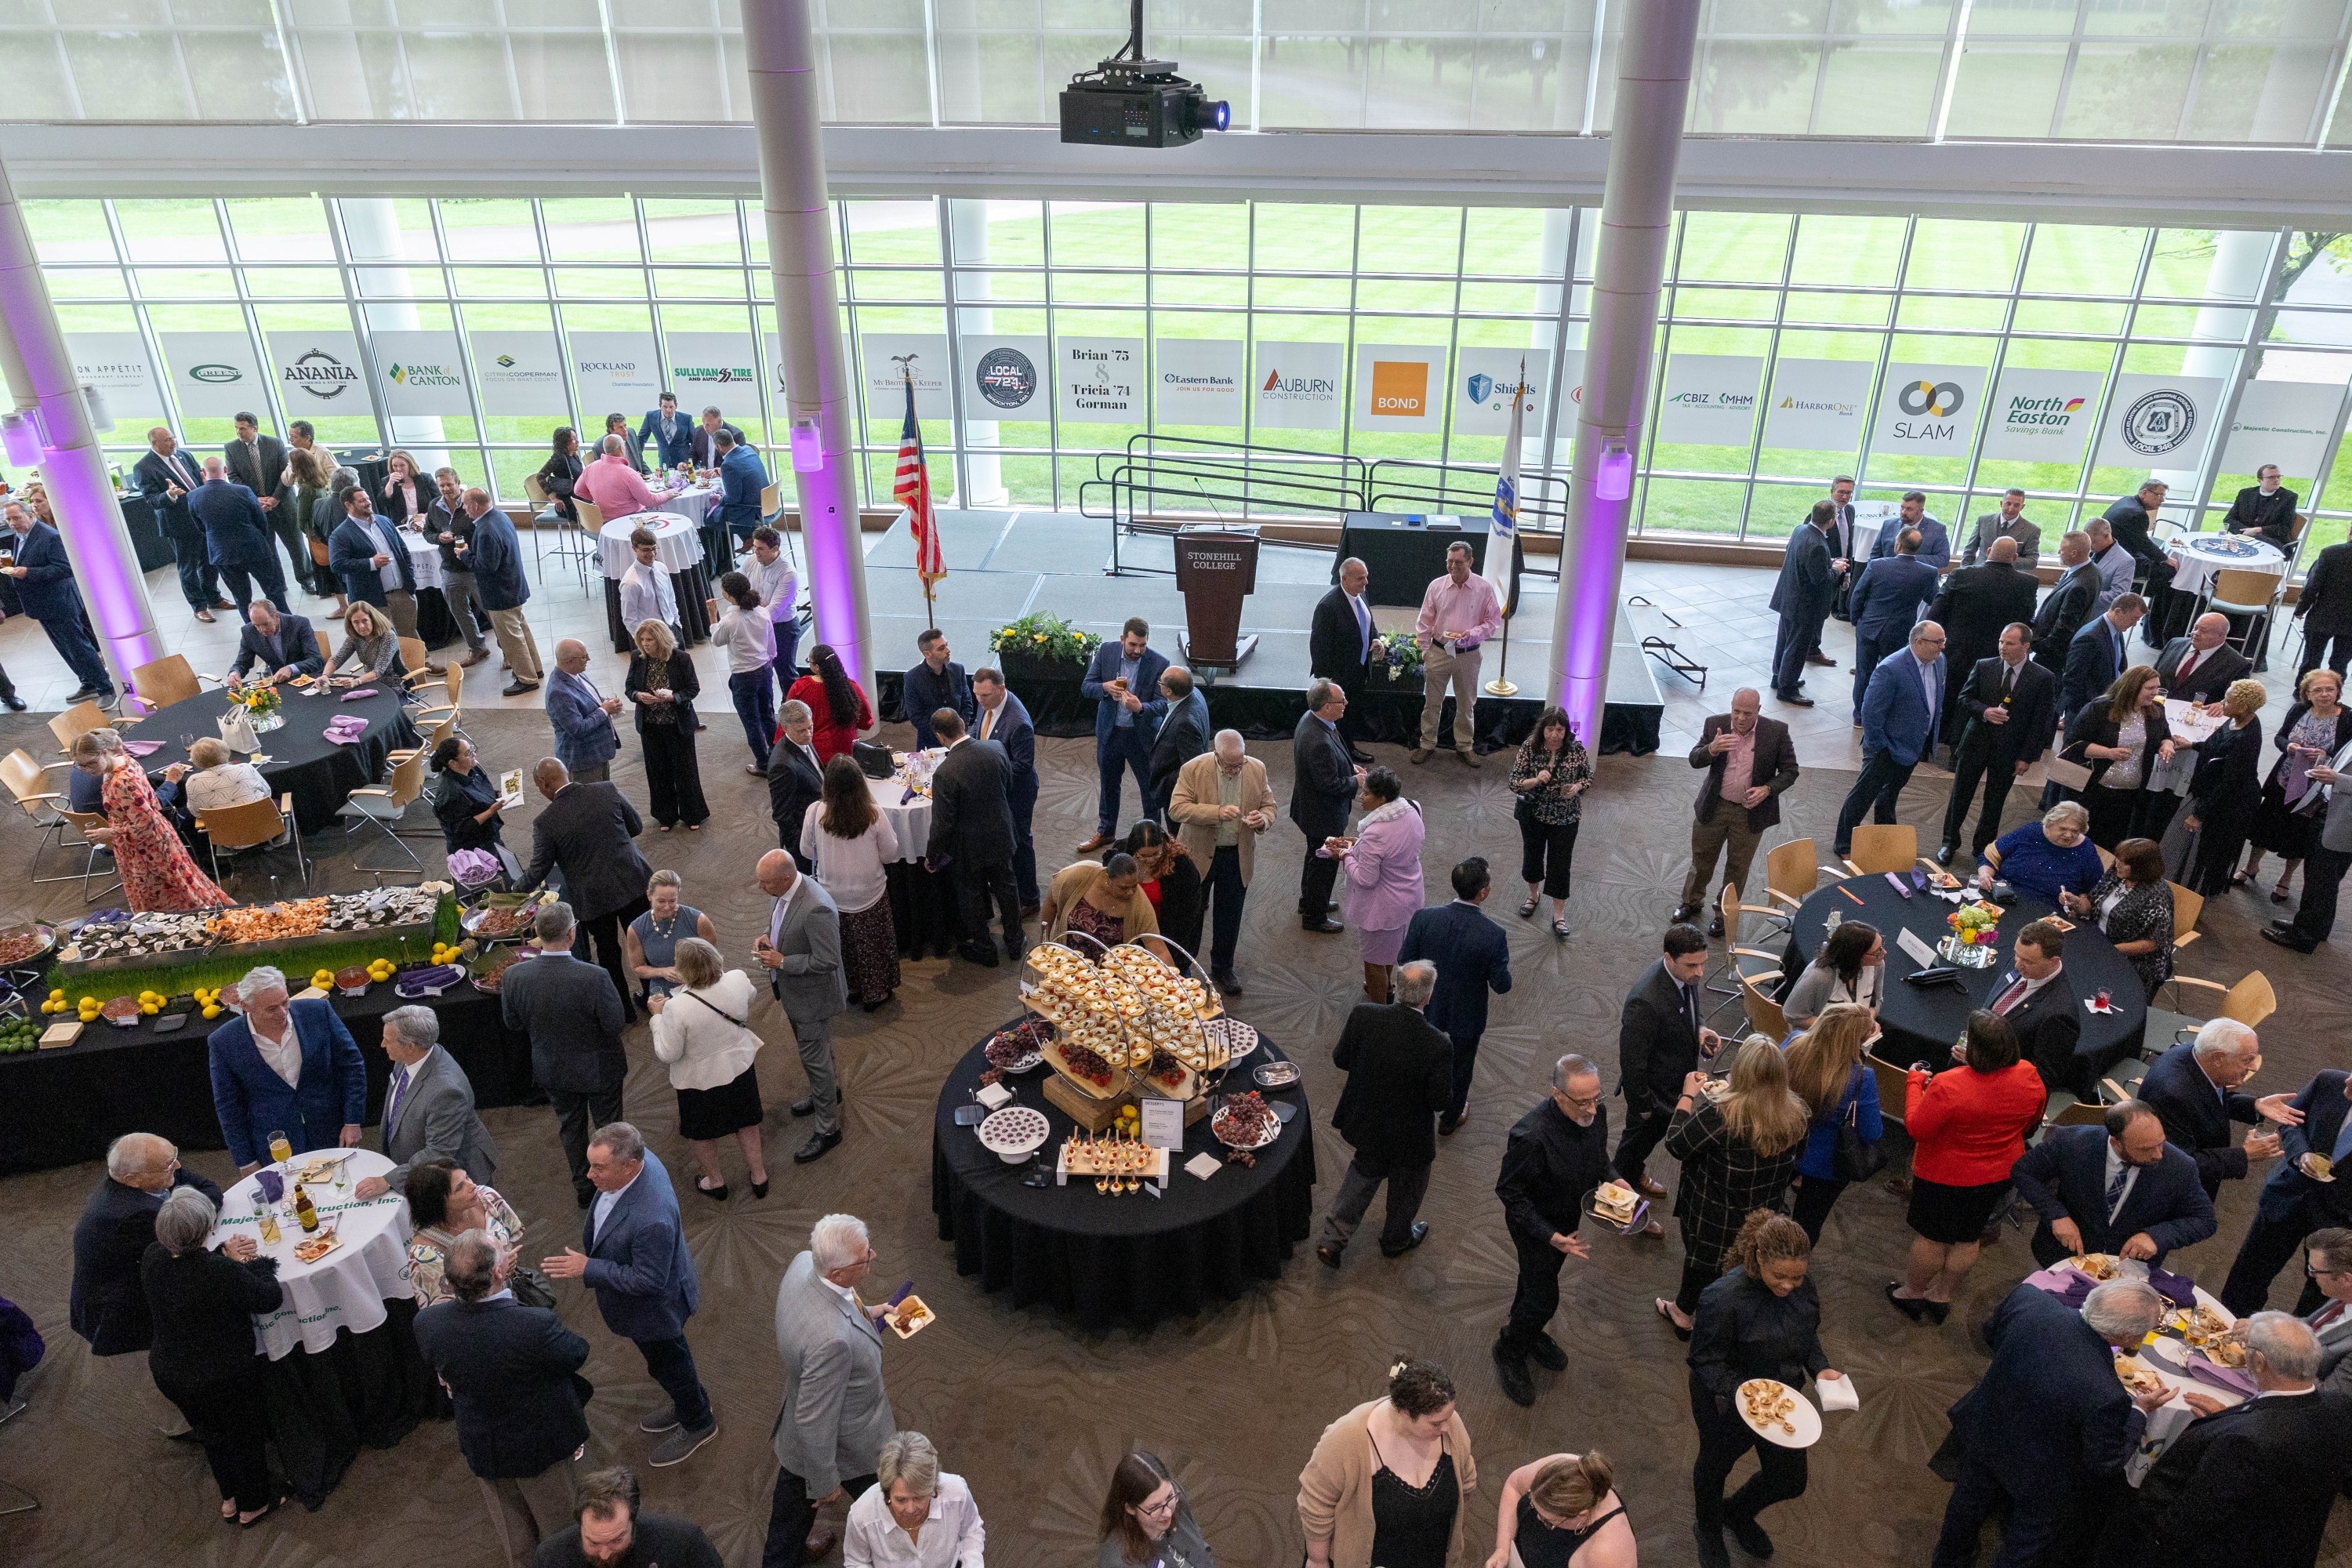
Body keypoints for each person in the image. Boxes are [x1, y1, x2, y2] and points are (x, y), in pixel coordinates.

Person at [1930, 1279, 2171, 1568]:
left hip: (1987, 1428)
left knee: (1967, 1504)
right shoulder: (2108, 1395)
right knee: (2025, 1541)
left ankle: (1948, 1559)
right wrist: (2140, 1412)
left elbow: (1991, 1335)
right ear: (2128, 1335)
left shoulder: (2028, 1300)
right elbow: (2105, 1462)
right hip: (2040, 1475)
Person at [540, 1122, 715, 1467]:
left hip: (654, 1309)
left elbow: (649, 1280)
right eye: (590, 1164)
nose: (589, 1175)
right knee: (668, 1362)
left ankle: (698, 1421)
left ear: (630, 1166)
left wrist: (588, 1267)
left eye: (599, 1168)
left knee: (669, 1362)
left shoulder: (652, 1219)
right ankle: (689, 1403)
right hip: (648, 1302)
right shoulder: (641, 1158)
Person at [412, 1230, 590, 1568]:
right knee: (561, 1532)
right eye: (500, 1251)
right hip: (539, 1444)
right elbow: (575, 1354)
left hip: (483, 1443)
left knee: (514, 1534)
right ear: (498, 1272)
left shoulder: (428, 1323)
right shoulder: (533, 1325)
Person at [2123, 1312, 2352, 1568]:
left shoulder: (2242, 1443)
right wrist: (2233, 1416)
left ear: (2259, 1361)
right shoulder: (2340, 1407)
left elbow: (2194, 1515)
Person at [1686, 1211, 1846, 1568]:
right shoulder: (1722, 1298)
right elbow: (1704, 1360)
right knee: (1715, 1466)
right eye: (1780, 1277)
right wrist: (1747, 1393)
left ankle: (1737, 1512)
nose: (1789, 1286)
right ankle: (1708, 1527)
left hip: (1783, 1397)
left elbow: (1806, 1334)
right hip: (1726, 1400)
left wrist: (1820, 1367)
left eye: (1798, 1277)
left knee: (1790, 1479)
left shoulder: (1804, 1287)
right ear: (1758, 1258)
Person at [1888, 1010, 2045, 1323]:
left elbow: (1918, 1128)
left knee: (1932, 1238)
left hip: (1944, 1176)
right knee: (1968, 1237)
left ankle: (1913, 1293)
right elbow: (2030, 1125)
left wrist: (1915, 1082)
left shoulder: (1949, 1084)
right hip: (1997, 1173)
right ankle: (1942, 1296)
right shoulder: (2029, 1074)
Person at [140, 1187, 282, 1527]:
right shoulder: (221, 1273)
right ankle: (254, 1504)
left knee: (211, 1435)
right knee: (243, 1435)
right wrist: (251, 1264)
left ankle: (230, 1498)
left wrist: (222, 1255)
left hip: (171, 1370)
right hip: (220, 1375)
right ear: (206, 1228)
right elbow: (269, 1298)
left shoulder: (153, 1257)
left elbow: (189, 1269)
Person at [764, 1214, 898, 1568]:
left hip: (802, 1422)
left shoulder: (804, 1263)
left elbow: (828, 1309)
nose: (874, 1256)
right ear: (838, 1273)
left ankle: (787, 1555)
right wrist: (824, 1482)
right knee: (893, 1503)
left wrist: (868, 1315)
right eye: (865, 1256)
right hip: (849, 1442)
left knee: (790, 1514)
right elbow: (814, 1417)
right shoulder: (833, 1342)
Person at [1657, 1037, 1810, 1334]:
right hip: (1764, 1213)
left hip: (1713, 1213)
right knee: (1749, 1268)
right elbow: (1798, 1161)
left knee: (1701, 1264)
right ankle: (1728, 1323)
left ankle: (1683, 1313)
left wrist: (1686, 1097)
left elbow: (1676, 1145)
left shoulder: (1721, 1115)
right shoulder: (1799, 1114)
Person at [1315, 962, 1452, 1269]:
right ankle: (1395, 1240)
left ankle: (1332, 1241)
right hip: (1410, 1135)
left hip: (1368, 1121)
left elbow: (1340, 1059)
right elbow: (1440, 1100)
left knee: (1363, 1171)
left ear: (1397, 987)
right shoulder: (1438, 1043)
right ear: (1427, 997)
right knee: (1409, 1185)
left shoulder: (1364, 1015)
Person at [1491, 1054, 1610, 1407]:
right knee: (1545, 1298)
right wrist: (1549, 1235)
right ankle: (1509, 1348)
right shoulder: (1531, 1137)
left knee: (1534, 1281)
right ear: (1557, 1095)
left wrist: (1616, 1179)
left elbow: (1597, 1155)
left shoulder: (1594, 1113)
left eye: (1597, 1097)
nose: (1591, 1109)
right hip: (1535, 1227)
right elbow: (1509, 1192)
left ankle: (1522, 1325)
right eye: (1582, 1101)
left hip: (1565, 1219)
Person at [500, 902, 629, 1206]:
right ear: (572, 934)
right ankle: (616, 1185)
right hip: (600, 1069)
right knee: (609, 1131)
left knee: (571, 1128)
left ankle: (585, 1189)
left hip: (553, 1069)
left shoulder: (514, 977)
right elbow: (614, 1025)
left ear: (536, 934)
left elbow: (512, 1023)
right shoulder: (595, 977)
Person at [1297, 1356, 1478, 1568]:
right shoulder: (1346, 1439)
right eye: (1436, 1424)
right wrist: (1317, 1561)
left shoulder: (1450, 1426)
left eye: (1449, 1418)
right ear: (1406, 1413)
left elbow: (1466, 1484)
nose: (1447, 1428)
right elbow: (1316, 1505)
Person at [69, 1134, 222, 1372]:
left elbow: (209, 1189)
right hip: (122, 1311)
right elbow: (188, 1250)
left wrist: (195, 1208)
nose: (178, 1166)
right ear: (133, 1181)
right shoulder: (135, 1215)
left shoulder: (153, 1172)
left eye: (174, 1158)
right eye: (168, 1165)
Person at [518, 757, 656, 1014]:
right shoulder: (607, 789)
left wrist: (513, 891)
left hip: (594, 896)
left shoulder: (545, 823)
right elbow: (635, 827)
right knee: (641, 941)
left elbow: (539, 870)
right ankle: (652, 998)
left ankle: (622, 1010)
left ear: (543, 783)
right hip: (632, 880)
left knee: (607, 952)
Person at [2010, 1098, 2214, 1270]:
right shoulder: (2072, 1142)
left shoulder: (2180, 1166)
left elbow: (2204, 1220)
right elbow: (2024, 1171)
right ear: (2116, 1142)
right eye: (2146, 1149)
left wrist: (2156, 1236)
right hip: (2061, 1258)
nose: (2159, 1155)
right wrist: (2056, 1215)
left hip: (2128, 1271)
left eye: (2161, 1142)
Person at [205, 963, 363, 1173]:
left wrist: (353, 1120)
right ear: (246, 1006)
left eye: (285, 1002)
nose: (282, 1013)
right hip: (275, 1143)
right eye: (271, 1009)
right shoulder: (223, 1041)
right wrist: (245, 1161)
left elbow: (352, 1065)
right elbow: (228, 1106)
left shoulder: (318, 1012)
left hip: (331, 1129)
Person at [2219, 1066, 2352, 1316]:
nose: (2349, 1079)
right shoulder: (2329, 1083)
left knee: (2321, 1296)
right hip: (2288, 1195)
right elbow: (2290, 1123)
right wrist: (2301, 1155)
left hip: (2340, 1221)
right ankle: (2227, 1329)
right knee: (2249, 1276)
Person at [647, 937, 769, 1202]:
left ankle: (715, 1181)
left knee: (702, 1132)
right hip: (739, 1066)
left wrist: (656, 1016)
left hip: (698, 1081)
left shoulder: (676, 1008)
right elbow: (751, 995)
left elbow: (668, 1053)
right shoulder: (737, 978)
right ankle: (759, 1175)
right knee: (747, 1122)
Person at [1399, 858, 1513, 1134]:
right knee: (1461, 1066)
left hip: (1427, 1006)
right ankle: (1450, 1118)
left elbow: (1405, 960)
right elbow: (1502, 985)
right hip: (1467, 1013)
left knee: (1422, 1055)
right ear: (1483, 892)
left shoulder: (1424, 918)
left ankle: (1415, 1104)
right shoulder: (1494, 935)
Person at [1672, 688, 1800, 932]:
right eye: (1736, 711)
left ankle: (1723, 912)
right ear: (1731, 707)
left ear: (1759, 711)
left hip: (1750, 812)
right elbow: (1694, 759)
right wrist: (1712, 749)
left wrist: (1767, 789)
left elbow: (1790, 771)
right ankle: (1690, 902)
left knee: (1738, 867)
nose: (1741, 718)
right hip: (1714, 805)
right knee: (1702, 860)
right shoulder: (1715, 724)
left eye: (1748, 713)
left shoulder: (1776, 732)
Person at [1613, 924, 1722, 1197]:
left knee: (1644, 1144)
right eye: (1692, 965)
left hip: (1674, 1086)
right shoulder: (1645, 1002)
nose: (1700, 972)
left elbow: (1689, 1007)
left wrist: (1700, 1029)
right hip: (1653, 1097)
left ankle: (1634, 1171)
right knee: (1635, 1143)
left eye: (1703, 963)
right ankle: (1619, 1199)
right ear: (1669, 957)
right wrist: (1643, 1108)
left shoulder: (1683, 975)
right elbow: (1632, 1061)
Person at [756, 848, 850, 1164]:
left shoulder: (816, 908)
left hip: (812, 997)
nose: (760, 888)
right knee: (818, 1051)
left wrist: (782, 962)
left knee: (815, 1059)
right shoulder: (783, 890)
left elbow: (828, 960)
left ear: (784, 879)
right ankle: (830, 1092)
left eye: (765, 883)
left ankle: (828, 1129)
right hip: (796, 992)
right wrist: (768, 937)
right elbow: (781, 924)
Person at [1165, 728, 1275, 992]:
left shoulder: (1256, 768)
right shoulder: (1193, 768)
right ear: (1216, 756)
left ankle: (1223, 969)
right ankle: (1184, 969)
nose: (1237, 770)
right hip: (1198, 855)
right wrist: (1216, 812)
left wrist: (1264, 819)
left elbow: (1269, 805)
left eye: (1241, 764)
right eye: (1231, 766)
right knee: (1190, 917)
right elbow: (1176, 809)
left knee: (1230, 917)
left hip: (1237, 856)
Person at [1939, 622, 2059, 862]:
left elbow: (2040, 722)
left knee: (1995, 802)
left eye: (2010, 643)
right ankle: (1949, 843)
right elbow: (1964, 699)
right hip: (1975, 743)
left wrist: (2027, 757)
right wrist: (1985, 712)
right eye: (2001, 642)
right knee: (1960, 795)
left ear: (2025, 646)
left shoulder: (2043, 677)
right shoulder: (1984, 666)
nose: (2003, 647)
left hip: (2010, 751)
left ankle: (1983, 848)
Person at [2140, 1018, 2291, 1202]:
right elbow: (2178, 1162)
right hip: (2172, 1194)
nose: (2253, 1067)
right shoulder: (2172, 1096)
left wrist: (2254, 1105)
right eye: (2248, 1060)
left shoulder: (2195, 1057)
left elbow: (2208, 1097)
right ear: (2218, 1058)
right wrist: (2244, 1155)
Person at [355, 1004, 499, 1199]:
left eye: (387, 1040)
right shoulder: (412, 1056)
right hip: (422, 1169)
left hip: (454, 1183)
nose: (382, 1044)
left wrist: (388, 1180)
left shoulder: (447, 1092)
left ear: (410, 1046)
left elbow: (438, 1153)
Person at [1833, 619, 1948, 857]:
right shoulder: (1891, 668)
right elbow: (1871, 712)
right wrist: (1880, 748)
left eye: (1942, 641)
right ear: (1919, 642)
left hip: (1914, 745)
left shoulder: (1939, 663)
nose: (1942, 646)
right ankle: (1844, 844)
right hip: (1886, 748)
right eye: (1937, 642)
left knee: (1890, 794)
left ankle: (1884, 838)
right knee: (1863, 795)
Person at [2239, 666, 2352, 907]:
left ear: (2338, 692)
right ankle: (2251, 866)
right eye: (2318, 690)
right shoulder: (2300, 710)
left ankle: (2286, 878)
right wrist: (2289, 747)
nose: (2324, 694)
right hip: (2285, 778)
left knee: (2299, 835)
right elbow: (2280, 737)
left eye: (2330, 689)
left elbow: (2346, 757)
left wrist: (2325, 755)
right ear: (2307, 694)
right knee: (2265, 825)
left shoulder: (2348, 718)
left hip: (2315, 789)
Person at [71, 729, 220, 910]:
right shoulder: (125, 762)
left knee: (166, 897)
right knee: (182, 885)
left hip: (147, 849)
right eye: (81, 766)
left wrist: (109, 832)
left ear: (104, 752)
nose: (87, 770)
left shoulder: (122, 781)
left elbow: (146, 824)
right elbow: (153, 804)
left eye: (91, 764)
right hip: (147, 841)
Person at [801, 753, 901, 1011]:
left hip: (832, 895)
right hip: (870, 893)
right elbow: (891, 854)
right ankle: (876, 993)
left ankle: (853, 987)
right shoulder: (873, 814)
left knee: (844, 945)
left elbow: (806, 852)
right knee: (873, 945)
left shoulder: (815, 812)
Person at [926, 708, 1023, 967]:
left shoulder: (945, 773)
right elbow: (1008, 785)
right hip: (1001, 833)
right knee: (1007, 887)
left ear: (939, 736)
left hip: (968, 847)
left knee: (970, 894)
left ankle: (984, 947)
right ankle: (1015, 942)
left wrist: (933, 856)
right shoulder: (996, 748)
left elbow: (943, 823)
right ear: (962, 723)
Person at [1781, 1004, 1882, 1242]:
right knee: (1807, 1226)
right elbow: (1872, 1133)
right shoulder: (1861, 1077)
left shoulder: (1794, 1042)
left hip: (1781, 1145)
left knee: (1762, 1208)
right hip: (1826, 1168)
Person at [3, 500, 114, 702]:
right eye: (8, 519)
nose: (12, 523)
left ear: (30, 515)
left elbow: (65, 569)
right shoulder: (21, 535)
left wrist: (28, 572)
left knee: (79, 647)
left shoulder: (50, 537)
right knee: (64, 649)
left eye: (16, 518)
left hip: (59, 602)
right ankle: (87, 682)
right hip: (41, 605)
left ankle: (106, 689)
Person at [1330, 766, 1425, 1003]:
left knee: (1373, 962)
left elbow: (1366, 878)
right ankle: (1388, 988)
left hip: (1382, 907)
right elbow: (1395, 850)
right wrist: (1358, 845)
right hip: (1409, 894)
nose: (1360, 797)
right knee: (1390, 951)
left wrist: (1345, 855)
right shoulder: (1413, 809)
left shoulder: (1376, 832)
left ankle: (1379, 1009)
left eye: (1367, 793)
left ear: (1382, 799)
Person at [1931, 536, 2041, 740]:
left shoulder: (1961, 575)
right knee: (1984, 701)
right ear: (2015, 558)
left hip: (1958, 652)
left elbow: (1937, 613)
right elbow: (2025, 621)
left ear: (1989, 551)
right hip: (1997, 657)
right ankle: (1965, 742)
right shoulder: (2028, 583)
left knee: (1951, 695)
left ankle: (1941, 738)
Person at [1078, 617, 1170, 849]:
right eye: (1132, 645)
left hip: (1141, 737)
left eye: (1142, 645)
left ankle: (1153, 836)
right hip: (1110, 733)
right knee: (1108, 784)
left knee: (1149, 788)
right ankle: (1106, 831)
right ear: (1122, 639)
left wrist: (1141, 708)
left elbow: (1163, 704)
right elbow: (1086, 687)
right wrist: (1104, 688)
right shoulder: (1107, 652)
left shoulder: (1160, 663)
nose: (1138, 650)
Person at [2063, 666, 2175, 849]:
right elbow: (2073, 744)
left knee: (2114, 841)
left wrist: (2167, 744)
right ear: (2133, 687)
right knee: (2085, 838)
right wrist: (2108, 753)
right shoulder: (2100, 708)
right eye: (2150, 688)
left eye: (2157, 687)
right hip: (2094, 788)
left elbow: (2165, 734)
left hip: (2131, 792)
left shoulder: (2155, 709)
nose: (2155, 693)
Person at [1411, 540, 1502, 764]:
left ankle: (1464, 745)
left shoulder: (1484, 588)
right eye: (1449, 562)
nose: (1453, 567)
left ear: (1470, 561)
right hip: (1439, 651)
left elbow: (1493, 621)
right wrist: (1426, 650)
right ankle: (1427, 743)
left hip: (1468, 655)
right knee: (1432, 702)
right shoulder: (1436, 586)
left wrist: (1474, 633)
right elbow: (1424, 621)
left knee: (1466, 704)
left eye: (1458, 563)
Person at [1506, 706, 1592, 939]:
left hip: (1566, 817)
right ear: (1542, 728)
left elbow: (1588, 776)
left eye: (1560, 729)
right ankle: (1533, 896)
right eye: (1550, 729)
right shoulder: (1529, 748)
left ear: (1566, 731)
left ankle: (1559, 914)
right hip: (1534, 814)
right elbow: (1514, 782)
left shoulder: (1575, 749)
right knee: (1533, 857)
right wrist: (1535, 780)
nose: (1555, 734)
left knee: (1560, 864)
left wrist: (1577, 787)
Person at [2177, 677, 2268, 895]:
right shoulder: (2237, 718)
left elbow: (2228, 782)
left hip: (2233, 803)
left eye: (2227, 701)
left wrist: (2199, 814)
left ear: (2244, 706)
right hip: (2221, 793)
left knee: (2213, 850)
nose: (2222, 704)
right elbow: (2215, 747)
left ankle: (2198, 895)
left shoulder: (2246, 738)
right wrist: (2191, 745)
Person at [841, 1430, 984, 1568]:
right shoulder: (862, 1514)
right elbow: (856, 1562)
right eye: (901, 1500)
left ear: (934, 1487)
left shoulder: (956, 1492)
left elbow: (971, 1531)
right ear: (886, 1492)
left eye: (919, 1497)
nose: (910, 1510)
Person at [535, 1465, 723, 1568]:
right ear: (580, 1526)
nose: (605, 1554)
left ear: (633, 1521)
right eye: (593, 1543)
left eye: (617, 1540)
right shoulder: (551, 1557)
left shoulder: (684, 1543)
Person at [401, 1160, 528, 1308]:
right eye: (460, 1188)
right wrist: (497, 1277)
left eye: (467, 1177)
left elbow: (510, 1234)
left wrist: (507, 1259)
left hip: (514, 1294)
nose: (472, 1186)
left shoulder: (487, 1197)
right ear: (437, 1202)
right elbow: (444, 1311)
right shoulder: (424, 1256)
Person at [2059, 836, 2173, 998]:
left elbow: (2152, 943)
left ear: (2142, 867)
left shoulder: (2157, 894)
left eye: (2125, 863)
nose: (2117, 864)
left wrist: (2109, 951)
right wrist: (2076, 902)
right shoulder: (2116, 875)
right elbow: (2093, 906)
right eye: (2118, 859)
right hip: (2097, 943)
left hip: (2133, 962)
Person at [1293, 678, 1365, 935]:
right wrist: (1355, 781)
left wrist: (1348, 767)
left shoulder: (1315, 720)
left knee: (1314, 858)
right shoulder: (1318, 740)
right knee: (1324, 866)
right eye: (1341, 700)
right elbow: (1330, 785)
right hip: (1322, 815)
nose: (1346, 703)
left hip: (1311, 810)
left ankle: (1310, 901)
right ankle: (1315, 916)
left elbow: (1329, 765)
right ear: (1326, 707)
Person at [133, 426, 228, 620]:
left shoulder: (184, 455)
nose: (173, 443)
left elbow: (198, 481)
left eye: (173, 438)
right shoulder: (144, 467)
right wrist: (169, 495)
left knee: (210, 561)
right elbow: (152, 500)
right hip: (179, 525)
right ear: (154, 444)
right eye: (167, 440)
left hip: (202, 517)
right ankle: (199, 606)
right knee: (188, 567)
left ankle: (213, 597)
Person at [624, 619, 708, 832]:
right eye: (642, 640)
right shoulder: (638, 658)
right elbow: (629, 687)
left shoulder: (681, 659)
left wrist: (674, 697)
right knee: (657, 771)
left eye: (650, 639)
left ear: (660, 639)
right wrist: (639, 696)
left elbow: (693, 689)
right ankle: (665, 815)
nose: (645, 644)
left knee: (685, 771)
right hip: (651, 726)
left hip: (677, 724)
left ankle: (692, 814)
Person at [1846, 525, 1940, 713]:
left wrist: (1857, 619)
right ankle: (1882, 711)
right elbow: (1933, 599)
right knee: (1891, 672)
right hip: (1900, 630)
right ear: (1918, 548)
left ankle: (1859, 714)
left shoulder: (1877, 565)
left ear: (1898, 545)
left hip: (1869, 627)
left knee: (1864, 673)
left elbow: (1858, 594)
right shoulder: (1929, 572)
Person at [1484, 1450, 1633, 1568]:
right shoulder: (1561, 1471)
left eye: (1548, 1522)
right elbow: (1514, 1486)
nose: (1537, 1519)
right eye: (1531, 1503)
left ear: (1581, 1515)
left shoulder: (1608, 1555)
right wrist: (1503, 1549)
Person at [1986, 917, 2085, 1094]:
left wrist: (1985, 1062)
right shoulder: (2022, 960)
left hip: (1998, 1091)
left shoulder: (2060, 1015)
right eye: (2016, 954)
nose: (2017, 964)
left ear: (2053, 961)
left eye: (2028, 962)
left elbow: (2042, 1078)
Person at [191, 450, 290, 620]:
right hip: (254, 548)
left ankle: (252, 631)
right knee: (273, 591)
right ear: (225, 470)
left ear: (203, 472)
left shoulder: (193, 496)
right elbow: (260, 520)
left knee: (241, 597)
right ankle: (287, 624)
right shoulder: (243, 491)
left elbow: (201, 527)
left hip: (223, 554)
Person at [465, 488, 543, 693]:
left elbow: (486, 566)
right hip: (514, 586)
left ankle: (527, 679)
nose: (465, 510)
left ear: (474, 505)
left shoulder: (486, 530)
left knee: (511, 639)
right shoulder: (500, 516)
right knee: (521, 629)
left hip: (500, 593)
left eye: (466, 505)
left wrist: (464, 555)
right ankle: (535, 668)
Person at [1768, 501, 1842, 705]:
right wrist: (1836, 570)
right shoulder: (1818, 544)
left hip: (1788, 598)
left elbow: (1803, 562)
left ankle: (1779, 677)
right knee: (1797, 647)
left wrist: (1829, 564)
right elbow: (1820, 579)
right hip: (1805, 606)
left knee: (1783, 641)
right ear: (1831, 521)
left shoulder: (1800, 530)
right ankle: (1788, 688)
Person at [326, 484, 422, 644]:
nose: (368, 502)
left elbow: (403, 551)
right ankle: (395, 669)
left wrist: (409, 578)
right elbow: (337, 564)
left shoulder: (384, 521)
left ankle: (424, 664)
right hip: (373, 598)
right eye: (362, 500)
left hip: (401, 592)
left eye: (368, 498)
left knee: (410, 635)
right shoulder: (341, 534)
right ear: (348, 505)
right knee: (383, 641)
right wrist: (371, 563)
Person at [621, 869, 720, 1008]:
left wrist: (693, 976)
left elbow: (713, 959)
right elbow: (637, 967)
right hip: (663, 990)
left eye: (672, 901)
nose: (667, 907)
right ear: (649, 895)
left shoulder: (698, 920)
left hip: (699, 984)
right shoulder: (636, 929)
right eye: (661, 901)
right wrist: (662, 971)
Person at [1310, 555, 1377, 763]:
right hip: (1338, 677)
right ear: (1345, 579)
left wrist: (1376, 640)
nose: (1366, 582)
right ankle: (1343, 753)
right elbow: (1318, 647)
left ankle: (1346, 748)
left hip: (1358, 670)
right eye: (1360, 578)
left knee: (1351, 713)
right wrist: (1328, 683)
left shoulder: (1360, 595)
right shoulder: (1328, 607)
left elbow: (1369, 625)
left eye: (1366, 577)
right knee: (1340, 717)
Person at [1976, 800, 2104, 907]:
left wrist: (2077, 904)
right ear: (2049, 824)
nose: (2069, 835)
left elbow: (2094, 892)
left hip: (2047, 911)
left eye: (2075, 831)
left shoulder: (2086, 849)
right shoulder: (2031, 831)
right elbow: (1990, 856)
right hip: (2002, 897)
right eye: (2063, 829)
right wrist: (1985, 875)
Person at [1099, 1451, 1216, 1568]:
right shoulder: (1119, 1563)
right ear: (1130, 1508)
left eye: (1169, 1497)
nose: (1168, 1513)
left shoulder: (1175, 1496)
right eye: (1154, 1507)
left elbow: (1199, 1545)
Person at [425, 467, 492, 667]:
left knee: (490, 610)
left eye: (449, 484)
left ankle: (508, 651)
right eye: (441, 486)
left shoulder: (472, 503)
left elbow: (485, 529)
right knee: (460, 612)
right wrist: (438, 537)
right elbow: (427, 531)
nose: (445, 489)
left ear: (458, 482)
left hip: (473, 567)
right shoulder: (434, 506)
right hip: (449, 568)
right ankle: (478, 648)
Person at [1041, 851, 1163, 954]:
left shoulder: (1139, 901)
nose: (1131, 892)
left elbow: (1156, 945)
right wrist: (1044, 941)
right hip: (1066, 961)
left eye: (1134, 886)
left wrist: (1172, 978)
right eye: (1123, 888)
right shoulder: (1079, 875)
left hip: (1107, 975)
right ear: (1108, 879)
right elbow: (1051, 902)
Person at [2104, 479, 2176, 644]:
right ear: (2144, 493)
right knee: (2171, 573)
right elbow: (2144, 544)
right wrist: (2166, 559)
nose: (2162, 500)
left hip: (2115, 554)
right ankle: (2157, 626)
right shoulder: (2138, 514)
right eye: (2159, 495)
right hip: (2125, 562)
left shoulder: (2126, 502)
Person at [1121, 820, 1203, 964]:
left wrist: (1171, 952)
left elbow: (1189, 913)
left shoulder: (1182, 867)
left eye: (1156, 854)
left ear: (1164, 844)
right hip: (1131, 933)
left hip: (1168, 934)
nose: (1150, 860)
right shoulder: (1123, 857)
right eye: (1143, 856)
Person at [2058, 593, 2146, 726]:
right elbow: (2073, 679)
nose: (2134, 624)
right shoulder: (2090, 638)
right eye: (2133, 619)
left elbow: (2118, 666)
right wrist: (2085, 711)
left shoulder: (2116, 630)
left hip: (2105, 705)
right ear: (2118, 611)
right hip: (2087, 709)